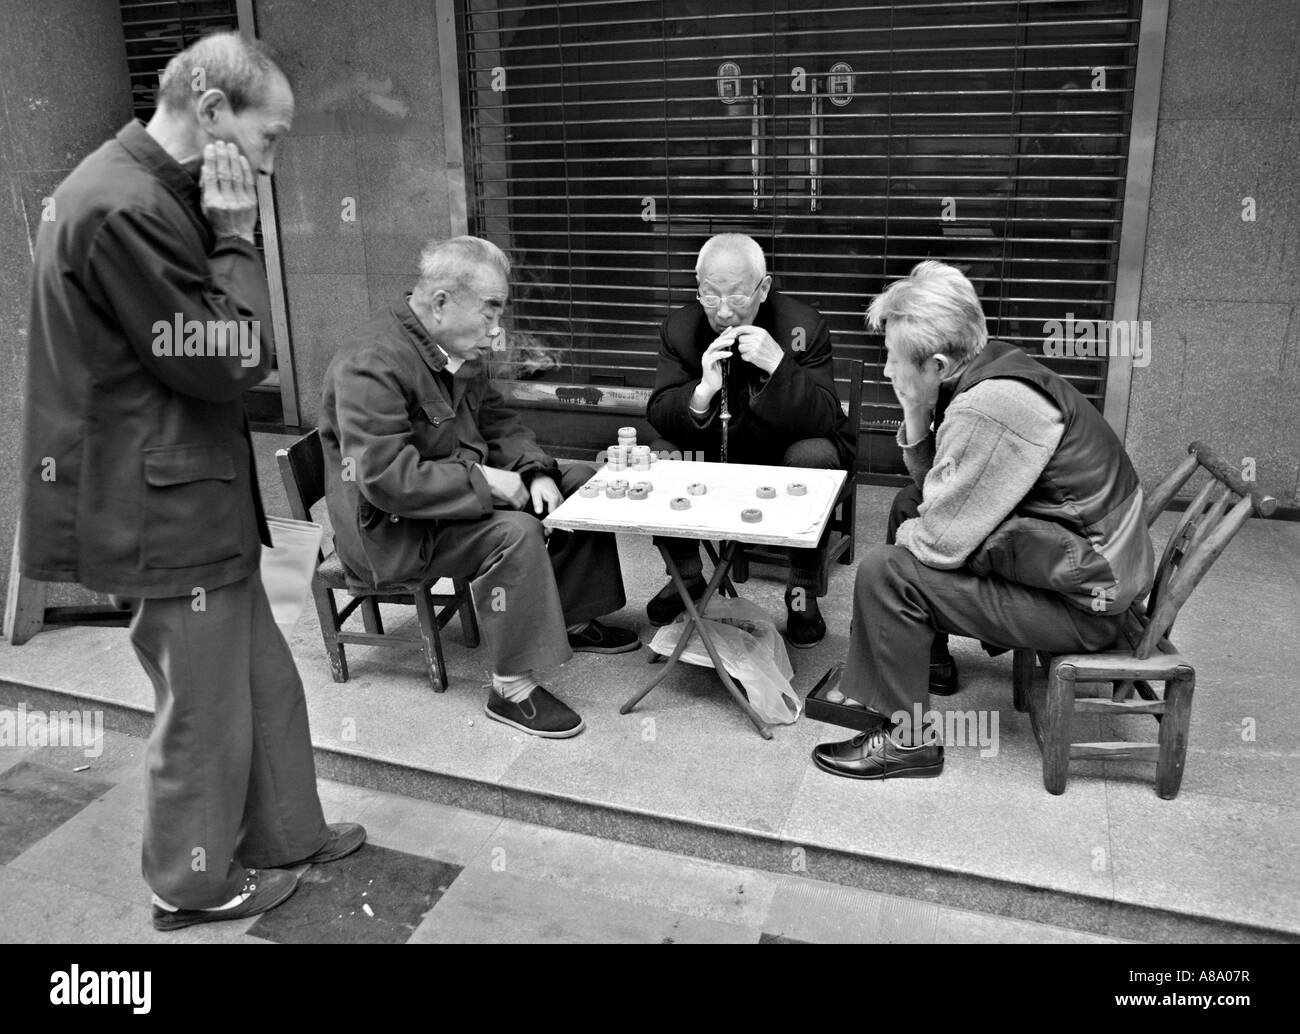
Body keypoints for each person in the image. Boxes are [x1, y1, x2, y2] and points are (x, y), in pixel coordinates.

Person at [19, 33, 364, 930]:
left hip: (194, 498)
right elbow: (229, 355)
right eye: (271, 137)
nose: (271, 164)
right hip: (163, 510)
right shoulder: (122, 206)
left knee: (264, 686)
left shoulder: (144, 194)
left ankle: (288, 832)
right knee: (204, 715)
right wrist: (239, 238)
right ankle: (191, 881)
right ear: (211, 110)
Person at [812, 260, 1155, 780]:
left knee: (887, 570)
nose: (886, 370)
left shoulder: (988, 409)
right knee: (908, 504)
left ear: (939, 365)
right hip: (1083, 571)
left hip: (1089, 609)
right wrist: (913, 412)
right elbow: (935, 488)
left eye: (892, 359)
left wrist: (911, 540)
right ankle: (925, 662)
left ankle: (908, 743)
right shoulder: (992, 367)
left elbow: (936, 544)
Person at [319, 236, 639, 740]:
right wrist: (486, 481)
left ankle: (573, 618)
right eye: (491, 311)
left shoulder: (450, 345)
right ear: (442, 302)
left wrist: (533, 471)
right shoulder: (371, 363)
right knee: (513, 532)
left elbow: (497, 422)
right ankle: (511, 688)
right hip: (391, 532)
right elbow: (383, 478)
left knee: (577, 484)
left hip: (442, 506)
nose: (497, 330)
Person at [645, 234, 855, 646]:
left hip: (781, 450)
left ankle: (801, 593)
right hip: (711, 450)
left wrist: (778, 366)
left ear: (764, 287)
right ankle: (685, 578)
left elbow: (825, 417)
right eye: (711, 295)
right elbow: (660, 410)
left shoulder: (803, 327)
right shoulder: (681, 328)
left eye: (738, 296)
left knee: (815, 456)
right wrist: (701, 391)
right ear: (698, 286)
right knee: (661, 455)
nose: (723, 311)